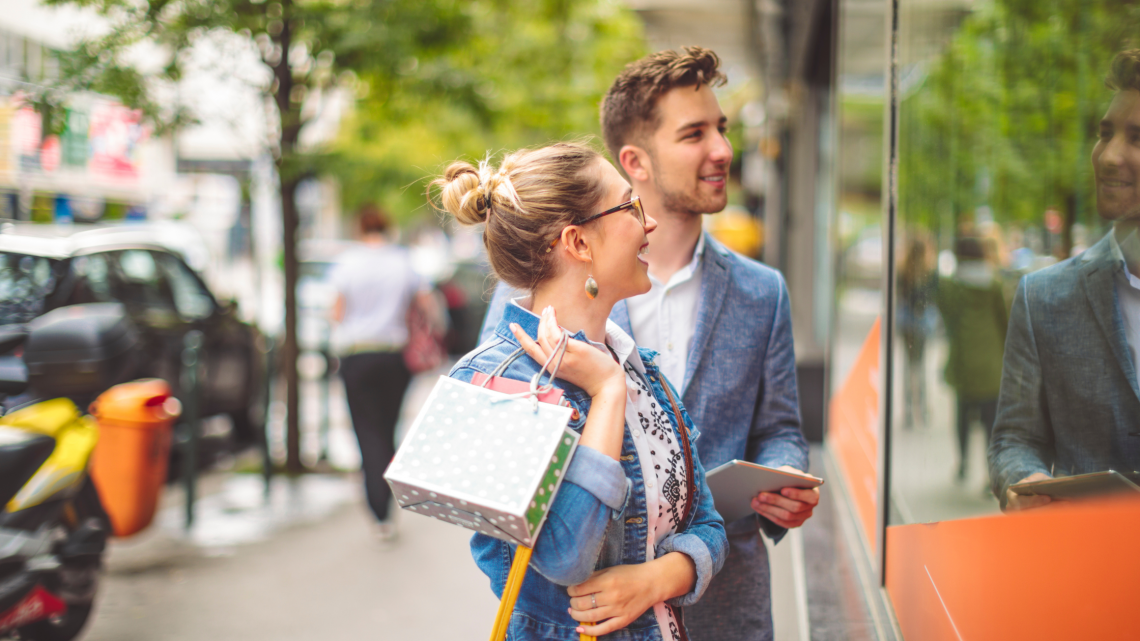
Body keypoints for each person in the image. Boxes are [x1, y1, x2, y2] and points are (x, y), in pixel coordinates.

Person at [480, 47, 814, 641]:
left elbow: (780, 426)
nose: (723, 151)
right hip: (589, 618)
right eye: (694, 134)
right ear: (635, 160)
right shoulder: (530, 310)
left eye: (722, 129)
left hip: (725, 604)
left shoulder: (761, 292)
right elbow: (518, 532)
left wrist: (783, 473)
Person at [435, 142, 727, 640]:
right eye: (630, 206)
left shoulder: (641, 368)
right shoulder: (491, 384)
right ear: (578, 242)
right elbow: (566, 556)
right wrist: (607, 393)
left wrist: (657, 578)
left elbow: (708, 524)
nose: (649, 222)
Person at [989, 49, 1140, 511]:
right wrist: (1023, 482)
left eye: (1137, 138)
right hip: (1089, 572)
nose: (1109, 156)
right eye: (1105, 134)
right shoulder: (1044, 297)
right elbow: (1014, 439)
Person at [330, 205, 433, 539]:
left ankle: (378, 512)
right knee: (388, 430)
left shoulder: (347, 263)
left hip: (357, 355)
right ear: (386, 227)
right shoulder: (402, 261)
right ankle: (386, 505)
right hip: (394, 357)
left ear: (359, 227)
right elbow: (426, 305)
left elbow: (337, 313)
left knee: (365, 432)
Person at [935, 236, 1008, 482]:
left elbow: (946, 314)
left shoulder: (953, 286)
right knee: (991, 421)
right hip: (991, 362)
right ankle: (991, 474)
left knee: (962, 417)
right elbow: (1005, 319)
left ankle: (963, 463)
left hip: (964, 361)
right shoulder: (995, 283)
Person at [897, 233, 937, 429]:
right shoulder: (928, 272)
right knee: (919, 366)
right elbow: (931, 297)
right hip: (920, 322)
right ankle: (920, 407)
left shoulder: (904, 270)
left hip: (907, 321)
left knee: (909, 366)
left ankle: (908, 410)